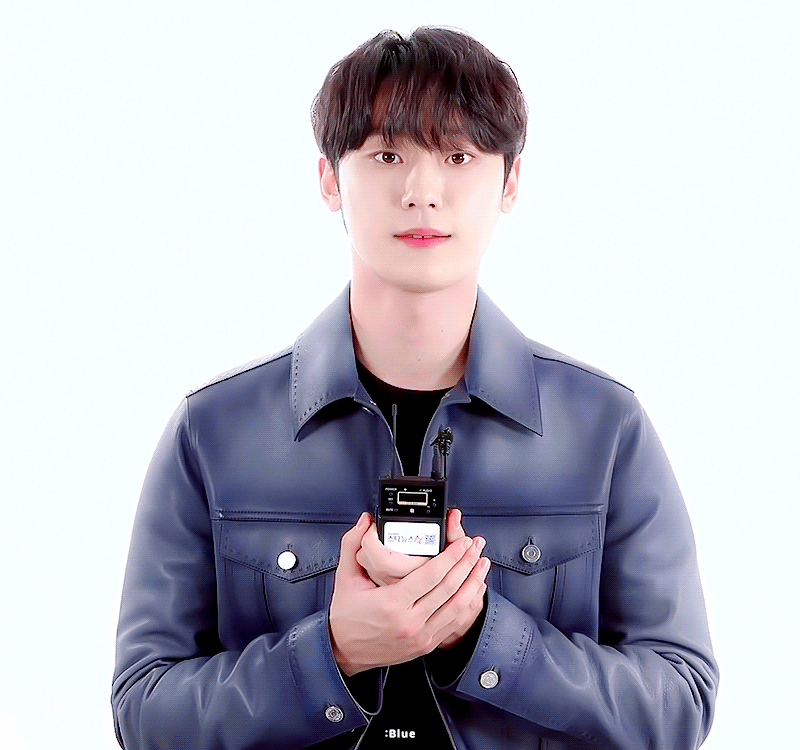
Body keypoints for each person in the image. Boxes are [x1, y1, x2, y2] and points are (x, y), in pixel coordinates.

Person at [112, 26, 718, 750]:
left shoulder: (604, 426)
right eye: (387, 155)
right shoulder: (213, 429)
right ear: (330, 179)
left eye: (458, 156)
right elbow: (143, 712)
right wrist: (331, 653)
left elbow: (680, 703)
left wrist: (485, 639)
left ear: (510, 182)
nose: (421, 193)